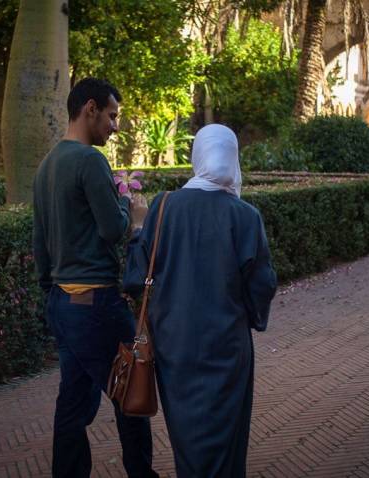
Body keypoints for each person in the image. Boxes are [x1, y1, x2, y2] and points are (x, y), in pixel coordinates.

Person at [124, 124, 278, 477]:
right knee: (227, 437)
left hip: (174, 346)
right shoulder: (245, 216)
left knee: (187, 437)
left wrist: (137, 230)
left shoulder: (164, 207)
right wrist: (249, 317)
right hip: (226, 347)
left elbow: (135, 277)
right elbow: (262, 284)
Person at [32, 77, 157, 478]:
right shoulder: (89, 160)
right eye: (112, 115)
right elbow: (112, 229)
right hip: (96, 303)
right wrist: (131, 210)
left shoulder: (46, 165)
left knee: (73, 403)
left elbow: (40, 245)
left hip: (62, 304)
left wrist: (52, 297)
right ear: (90, 109)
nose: (115, 126)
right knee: (132, 392)